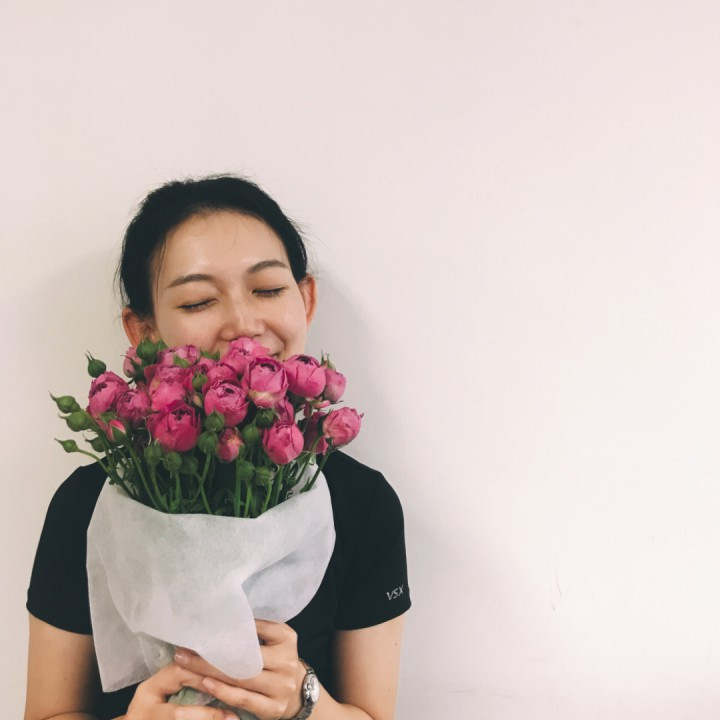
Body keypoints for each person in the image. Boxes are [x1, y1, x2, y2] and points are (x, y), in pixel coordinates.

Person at [25, 175, 411, 720]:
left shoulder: (362, 504)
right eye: (200, 300)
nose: (244, 326)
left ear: (306, 300)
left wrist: (305, 701)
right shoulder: (90, 505)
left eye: (268, 290)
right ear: (143, 332)